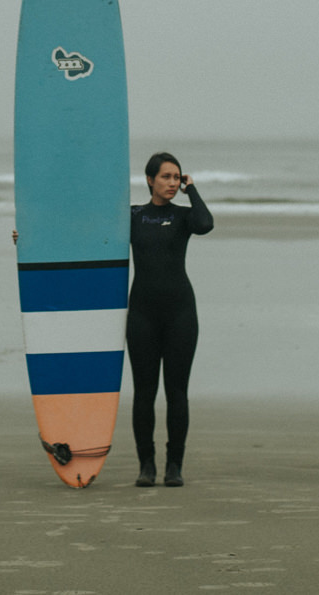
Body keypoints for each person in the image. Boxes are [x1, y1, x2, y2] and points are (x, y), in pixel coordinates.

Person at [127, 151, 212, 487]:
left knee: (177, 392)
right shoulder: (132, 215)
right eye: (166, 177)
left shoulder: (183, 216)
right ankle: (146, 465)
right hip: (142, 315)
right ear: (150, 180)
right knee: (144, 393)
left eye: (177, 178)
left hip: (180, 314)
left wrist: (193, 190)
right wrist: (28, 239)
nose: (172, 183)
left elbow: (206, 224)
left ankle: (174, 464)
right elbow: (84, 233)